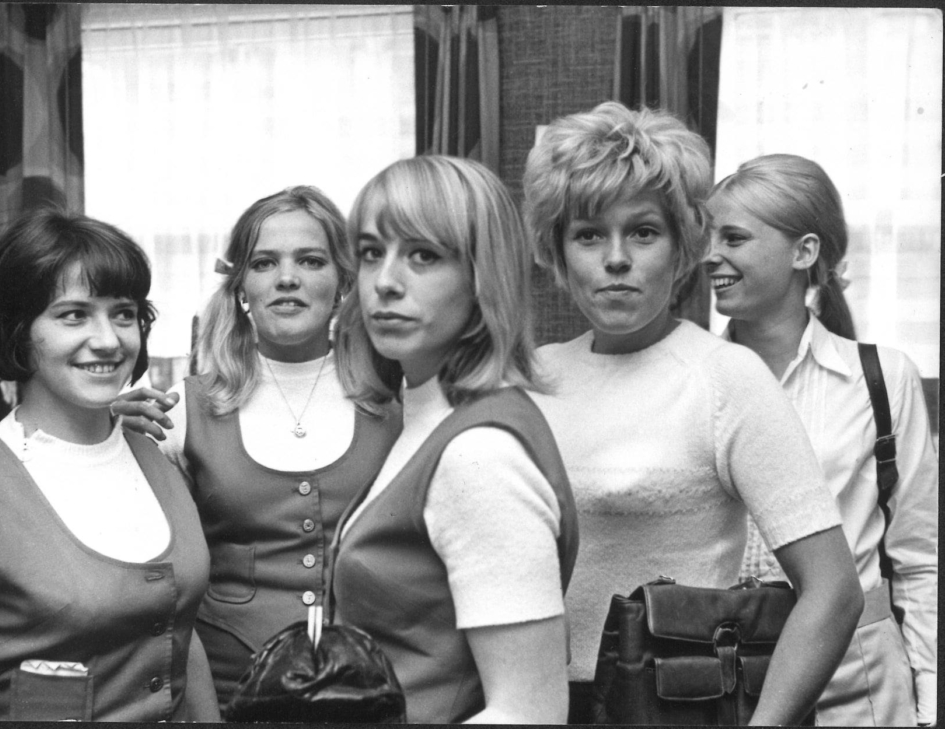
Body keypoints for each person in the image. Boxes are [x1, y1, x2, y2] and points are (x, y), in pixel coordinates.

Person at [521, 102, 864, 725]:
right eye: (589, 235)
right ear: (558, 251)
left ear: (681, 247)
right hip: (533, 704)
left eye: (643, 233)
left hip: (672, 705)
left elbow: (834, 592)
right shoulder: (532, 376)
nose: (616, 258)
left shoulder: (725, 377)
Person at [0, 209, 217, 721]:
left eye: (123, 314)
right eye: (74, 315)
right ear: (18, 332)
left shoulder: (156, 455)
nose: (108, 340)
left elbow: (178, 636)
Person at [113, 186, 401, 710]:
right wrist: (105, 434)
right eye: (265, 263)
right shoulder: (183, 409)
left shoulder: (395, 404)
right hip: (225, 697)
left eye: (310, 260)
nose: (287, 278)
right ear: (241, 286)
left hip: (367, 694)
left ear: (343, 282)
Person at [331, 155, 579, 724]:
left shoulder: (479, 452)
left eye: (423, 255)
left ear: (482, 276)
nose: (385, 282)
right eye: (371, 252)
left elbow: (530, 713)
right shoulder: (426, 416)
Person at [706, 153, 938, 726]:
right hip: (720, 671)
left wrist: (930, 696)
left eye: (733, 238)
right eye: (708, 236)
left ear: (804, 252)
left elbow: (919, 558)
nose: (710, 255)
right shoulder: (692, 377)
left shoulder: (882, 379)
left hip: (862, 681)